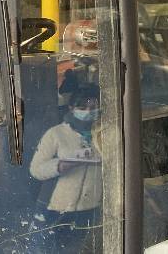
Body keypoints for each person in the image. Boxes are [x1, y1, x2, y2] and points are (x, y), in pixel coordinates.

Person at [29, 84, 102, 252]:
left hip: (88, 208)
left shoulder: (103, 133)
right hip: (54, 208)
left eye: (93, 107)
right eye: (82, 107)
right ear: (71, 108)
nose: (88, 112)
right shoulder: (56, 134)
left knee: (78, 249)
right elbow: (36, 169)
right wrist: (62, 165)